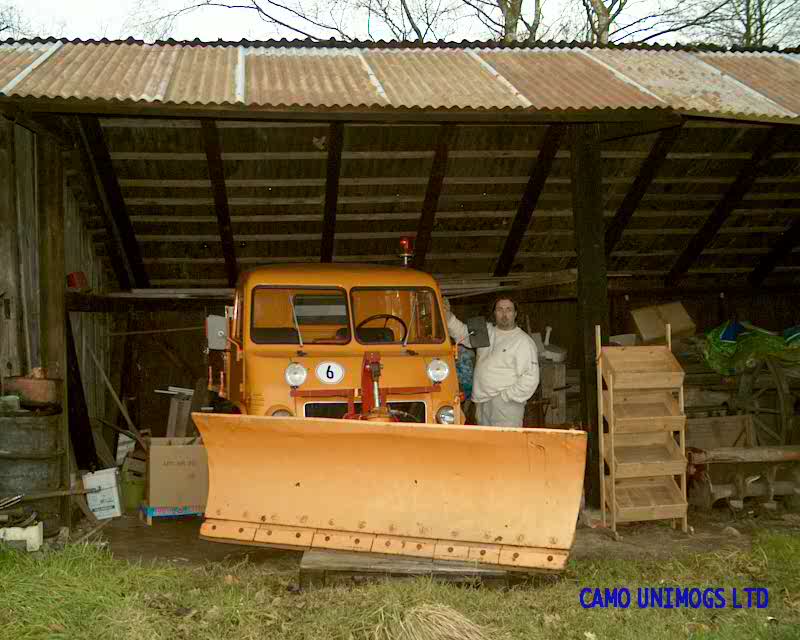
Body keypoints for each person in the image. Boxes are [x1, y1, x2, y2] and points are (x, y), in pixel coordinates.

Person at [443, 296, 539, 428]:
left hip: (506, 406)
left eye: (509, 310)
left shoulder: (523, 341)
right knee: (485, 440)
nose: (504, 314)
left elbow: (531, 377)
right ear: (494, 312)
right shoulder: (487, 331)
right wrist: (448, 316)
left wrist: (505, 397)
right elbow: (463, 333)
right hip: (482, 401)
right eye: (500, 309)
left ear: (515, 313)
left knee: (505, 440)